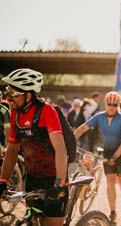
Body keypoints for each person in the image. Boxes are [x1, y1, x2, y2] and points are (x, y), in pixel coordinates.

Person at [0, 68, 69, 226]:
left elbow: (60, 150)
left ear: (28, 95)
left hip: (55, 179)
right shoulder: (15, 114)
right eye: (7, 94)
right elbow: (12, 150)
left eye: (13, 95)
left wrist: (59, 184)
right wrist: (3, 180)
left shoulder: (47, 112)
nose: (8, 99)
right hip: (33, 180)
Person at [74, 91, 121, 222]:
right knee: (110, 182)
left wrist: (115, 157)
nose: (111, 106)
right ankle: (113, 212)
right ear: (105, 104)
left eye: (114, 104)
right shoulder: (99, 117)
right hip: (108, 151)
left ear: (118, 105)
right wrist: (71, 140)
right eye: (109, 104)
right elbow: (82, 128)